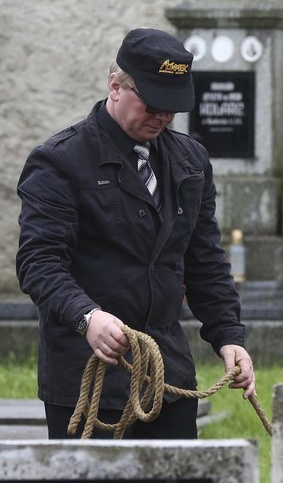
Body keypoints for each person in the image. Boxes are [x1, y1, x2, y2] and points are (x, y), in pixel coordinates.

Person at [16, 28, 254, 440]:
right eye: (152, 104)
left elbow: (203, 261)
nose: (162, 117)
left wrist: (228, 335)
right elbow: (39, 263)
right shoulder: (59, 161)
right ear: (115, 86)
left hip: (167, 376)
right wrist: (86, 317)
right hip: (86, 381)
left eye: (172, 107)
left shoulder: (191, 160)